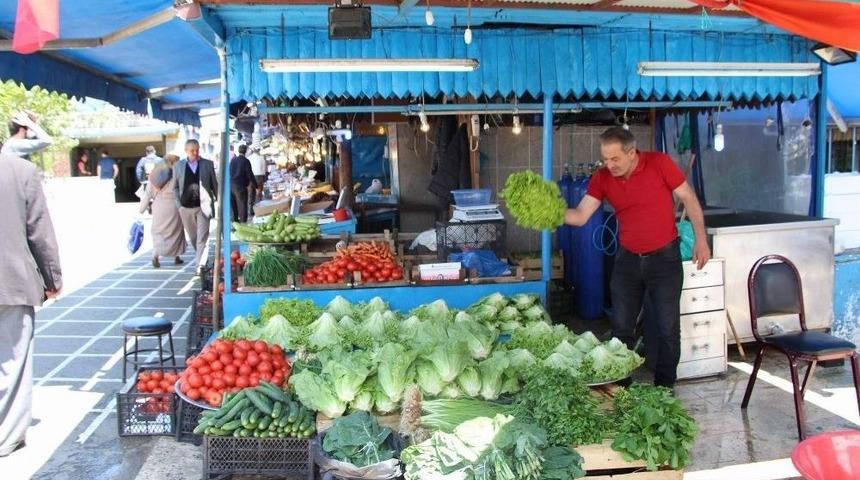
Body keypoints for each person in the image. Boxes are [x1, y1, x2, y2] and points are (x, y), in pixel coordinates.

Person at [564, 127, 710, 389]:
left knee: (667, 329)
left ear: (631, 153)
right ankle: (621, 387)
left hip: (664, 259)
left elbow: (688, 198)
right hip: (627, 260)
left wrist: (701, 239)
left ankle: (664, 389)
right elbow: (581, 215)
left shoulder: (660, 164)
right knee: (621, 330)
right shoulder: (602, 178)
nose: (609, 165)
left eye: (615, 159)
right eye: (605, 159)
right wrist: (550, 213)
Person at [0, 152, 62, 457]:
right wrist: (53, 277)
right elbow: (40, 231)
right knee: (13, 362)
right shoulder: (20, 170)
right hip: (10, 281)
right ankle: (6, 436)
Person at [174, 139, 218, 274]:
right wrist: (179, 205)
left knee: (202, 239)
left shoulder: (207, 164)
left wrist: (218, 202)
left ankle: (199, 266)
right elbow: (175, 187)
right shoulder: (178, 166)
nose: (195, 152)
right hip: (185, 208)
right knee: (194, 238)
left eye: (197, 149)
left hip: (203, 207)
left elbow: (214, 185)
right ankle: (202, 257)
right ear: (186, 151)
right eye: (192, 150)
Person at [140, 153, 186, 268]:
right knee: (176, 232)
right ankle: (176, 256)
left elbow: (148, 193)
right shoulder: (178, 173)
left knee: (158, 232)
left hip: (159, 207)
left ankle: (155, 255)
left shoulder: (155, 174)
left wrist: (141, 209)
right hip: (174, 207)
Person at [229, 144, 257, 224]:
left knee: (233, 205)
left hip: (231, 185)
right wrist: (256, 186)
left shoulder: (233, 160)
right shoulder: (245, 161)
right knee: (242, 205)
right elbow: (250, 174)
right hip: (240, 186)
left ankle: (235, 223)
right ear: (245, 151)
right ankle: (243, 223)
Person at [247, 146, 267, 212]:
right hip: (259, 177)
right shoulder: (261, 158)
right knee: (258, 194)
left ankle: (250, 210)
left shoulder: (249, 158)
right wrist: (264, 178)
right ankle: (259, 209)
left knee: (250, 193)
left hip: (250, 177)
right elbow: (264, 169)